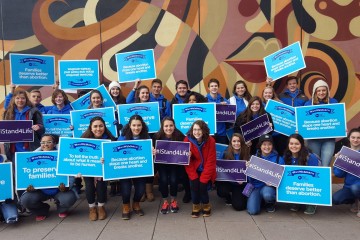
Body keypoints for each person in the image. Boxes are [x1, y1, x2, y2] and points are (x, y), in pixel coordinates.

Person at [20, 134, 78, 221]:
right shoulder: (31, 157)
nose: (45, 144)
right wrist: (28, 186)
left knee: (69, 198)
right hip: (40, 191)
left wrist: (67, 186)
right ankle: (42, 211)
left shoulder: (63, 155)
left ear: (54, 144)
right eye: (43, 142)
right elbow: (27, 174)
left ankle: (61, 208)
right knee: (26, 200)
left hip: (59, 190)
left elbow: (70, 173)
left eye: (49, 142)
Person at [80, 117, 117, 221]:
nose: (98, 129)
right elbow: (78, 157)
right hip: (89, 168)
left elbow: (115, 155)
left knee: (101, 186)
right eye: (95, 126)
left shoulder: (110, 139)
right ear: (91, 128)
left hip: (103, 169)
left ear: (104, 127)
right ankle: (92, 208)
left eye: (101, 126)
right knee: (89, 186)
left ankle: (101, 207)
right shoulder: (83, 139)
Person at [118, 115, 151, 220]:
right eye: (134, 125)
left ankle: (136, 204)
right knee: (126, 190)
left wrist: (152, 152)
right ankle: (126, 206)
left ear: (142, 125)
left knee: (141, 190)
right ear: (129, 126)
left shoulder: (147, 138)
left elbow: (148, 154)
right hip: (125, 169)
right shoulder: (122, 138)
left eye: (139, 125)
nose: (136, 128)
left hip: (140, 169)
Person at [153, 117, 185, 214]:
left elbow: (185, 149)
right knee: (163, 180)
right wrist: (153, 151)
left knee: (173, 180)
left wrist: (187, 153)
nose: (168, 128)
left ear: (174, 126)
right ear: (162, 127)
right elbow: (151, 149)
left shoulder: (180, 136)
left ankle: (173, 200)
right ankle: (165, 201)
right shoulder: (156, 136)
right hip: (162, 164)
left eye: (171, 125)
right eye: (166, 126)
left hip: (174, 164)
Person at [184, 120, 216, 218]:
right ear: (191, 130)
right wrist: (193, 177)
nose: (197, 132)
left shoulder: (210, 140)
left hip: (206, 168)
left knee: (203, 187)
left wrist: (203, 179)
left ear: (204, 131)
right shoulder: (186, 140)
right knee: (194, 185)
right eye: (195, 129)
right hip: (193, 168)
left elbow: (211, 161)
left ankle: (206, 204)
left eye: (199, 129)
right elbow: (187, 162)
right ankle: (196, 205)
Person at [247, 134, 284, 215]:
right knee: (252, 211)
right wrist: (248, 169)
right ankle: (261, 201)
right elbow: (250, 180)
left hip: (268, 188)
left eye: (269, 144)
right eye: (264, 144)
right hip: (256, 187)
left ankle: (270, 203)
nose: (267, 147)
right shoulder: (254, 158)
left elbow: (281, 178)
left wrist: (273, 183)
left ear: (272, 145)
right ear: (260, 145)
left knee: (267, 194)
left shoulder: (279, 159)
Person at [3, 90, 45, 162]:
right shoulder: (8, 112)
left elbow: (42, 129)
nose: (20, 100)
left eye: (23, 98)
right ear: (13, 99)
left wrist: (38, 127)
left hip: (30, 148)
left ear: (26, 99)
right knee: (16, 171)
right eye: (17, 98)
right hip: (13, 149)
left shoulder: (34, 111)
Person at [283, 133, 320, 214]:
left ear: (302, 145)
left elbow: (316, 179)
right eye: (291, 143)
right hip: (295, 185)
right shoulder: (286, 156)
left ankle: (312, 203)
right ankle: (296, 201)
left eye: (297, 144)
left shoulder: (310, 157)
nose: (294, 146)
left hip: (309, 185)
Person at [305, 79, 338, 167]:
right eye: (318, 90)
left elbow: (338, 119)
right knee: (315, 164)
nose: (321, 93)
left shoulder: (334, 102)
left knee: (325, 165)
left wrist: (341, 127)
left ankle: (325, 181)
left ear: (327, 91)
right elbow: (304, 122)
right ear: (315, 92)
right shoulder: (308, 104)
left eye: (323, 90)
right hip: (313, 140)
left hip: (329, 139)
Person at [216, 133, 249, 211]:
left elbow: (251, 174)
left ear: (242, 142)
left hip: (240, 184)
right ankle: (228, 197)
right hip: (229, 182)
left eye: (238, 141)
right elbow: (220, 169)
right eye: (234, 141)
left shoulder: (247, 154)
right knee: (221, 191)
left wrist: (244, 181)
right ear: (231, 142)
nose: (236, 143)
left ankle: (240, 196)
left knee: (239, 207)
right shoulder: (225, 153)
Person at [332, 128, 360, 217]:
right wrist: (338, 161)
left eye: (358, 138)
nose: (355, 140)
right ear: (349, 138)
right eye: (353, 137)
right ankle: (354, 200)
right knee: (335, 199)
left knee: (355, 188)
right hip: (348, 186)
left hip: (358, 185)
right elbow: (339, 174)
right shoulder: (344, 153)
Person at [107, 81, 125, 197]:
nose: (115, 91)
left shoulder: (123, 102)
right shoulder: (106, 103)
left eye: (117, 89)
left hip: (120, 134)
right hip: (110, 135)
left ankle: (120, 186)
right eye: (113, 89)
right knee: (112, 160)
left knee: (120, 160)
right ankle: (113, 186)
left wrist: (121, 124)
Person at [205, 78, 230, 144]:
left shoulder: (224, 100)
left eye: (215, 86)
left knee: (221, 153)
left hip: (221, 133)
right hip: (208, 133)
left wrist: (226, 107)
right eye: (212, 86)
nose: (214, 88)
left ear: (218, 87)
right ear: (208, 88)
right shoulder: (204, 100)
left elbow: (230, 115)